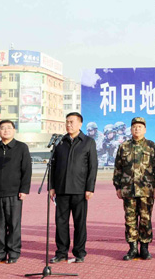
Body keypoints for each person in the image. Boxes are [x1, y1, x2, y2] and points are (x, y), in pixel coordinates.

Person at [49, 112, 99, 263]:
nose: (68, 124)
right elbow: (53, 166)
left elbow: (93, 166)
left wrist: (90, 188)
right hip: (62, 189)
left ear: (80, 124)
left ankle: (79, 252)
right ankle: (61, 252)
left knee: (79, 223)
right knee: (61, 223)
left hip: (80, 190)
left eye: (72, 122)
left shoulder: (88, 142)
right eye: (67, 122)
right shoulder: (60, 142)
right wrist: (52, 187)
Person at [113, 117, 155, 261]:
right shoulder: (124, 146)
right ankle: (132, 248)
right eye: (134, 127)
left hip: (146, 190)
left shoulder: (151, 146)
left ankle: (145, 248)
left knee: (145, 220)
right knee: (130, 220)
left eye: (140, 127)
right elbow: (118, 168)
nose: (137, 129)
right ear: (131, 129)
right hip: (128, 190)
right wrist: (117, 186)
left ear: (145, 130)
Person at [0, 120, 32, 264]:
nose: (5, 131)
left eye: (9, 128)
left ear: (14, 130)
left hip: (15, 193)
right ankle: (0, 253)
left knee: (14, 224)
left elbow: (26, 170)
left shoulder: (21, 147)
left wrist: (24, 190)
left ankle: (14, 252)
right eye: (2, 128)